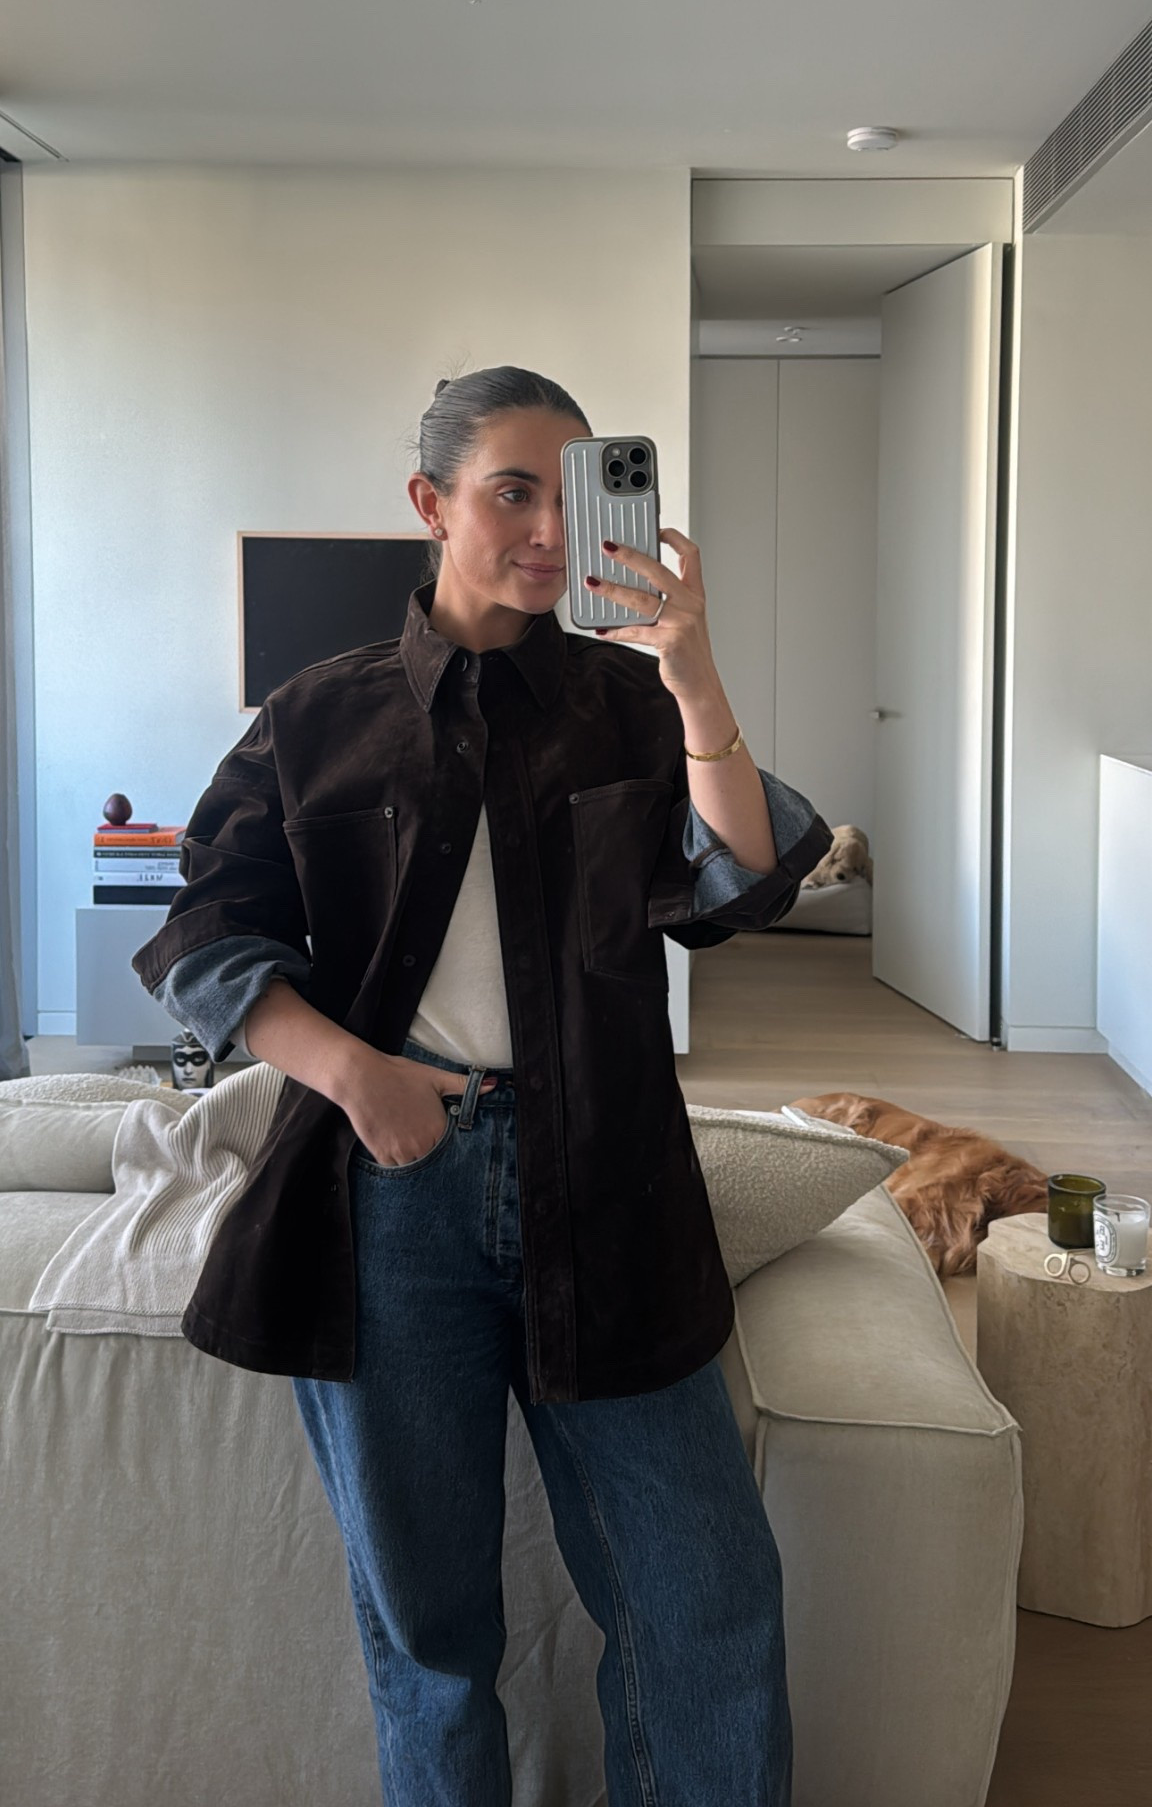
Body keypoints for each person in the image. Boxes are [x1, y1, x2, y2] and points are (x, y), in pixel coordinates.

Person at [133, 365, 832, 1807]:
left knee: (706, 1599)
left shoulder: (631, 702)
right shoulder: (315, 717)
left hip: (612, 1186)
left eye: (569, 492)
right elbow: (203, 932)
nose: (548, 528)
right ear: (430, 503)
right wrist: (356, 1077)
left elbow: (743, 884)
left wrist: (696, 673)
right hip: (390, 1198)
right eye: (512, 490)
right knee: (431, 1631)